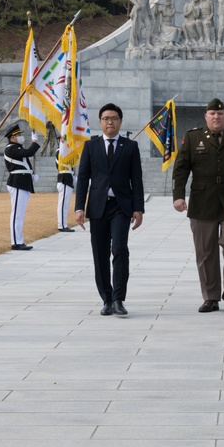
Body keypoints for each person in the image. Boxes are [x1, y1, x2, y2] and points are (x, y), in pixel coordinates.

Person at [172, 98, 224, 313]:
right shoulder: (192, 137)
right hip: (202, 202)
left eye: (220, 113)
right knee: (205, 251)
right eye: (212, 114)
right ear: (206, 117)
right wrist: (178, 196)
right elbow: (181, 168)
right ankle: (211, 296)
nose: (216, 117)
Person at [75, 103, 145, 317]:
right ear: (100, 122)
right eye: (106, 118)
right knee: (100, 253)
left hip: (121, 207)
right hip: (98, 207)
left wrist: (138, 209)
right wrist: (79, 207)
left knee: (120, 250)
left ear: (120, 122)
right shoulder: (91, 146)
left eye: (114, 118)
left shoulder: (130, 147)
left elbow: (137, 180)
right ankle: (106, 298)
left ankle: (118, 299)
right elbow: (83, 179)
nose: (110, 122)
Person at [3, 123, 40, 251]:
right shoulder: (11, 148)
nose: (20, 137)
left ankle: (19, 240)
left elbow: (24, 163)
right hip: (17, 183)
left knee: (20, 213)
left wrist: (31, 174)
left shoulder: (17, 149)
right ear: (12, 137)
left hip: (22, 182)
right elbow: (29, 152)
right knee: (17, 214)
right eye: (18, 135)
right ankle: (16, 242)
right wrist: (34, 141)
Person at [56, 148, 76, 232]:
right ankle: (61, 225)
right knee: (63, 204)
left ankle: (64, 224)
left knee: (66, 204)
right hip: (64, 178)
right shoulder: (60, 151)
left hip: (68, 178)